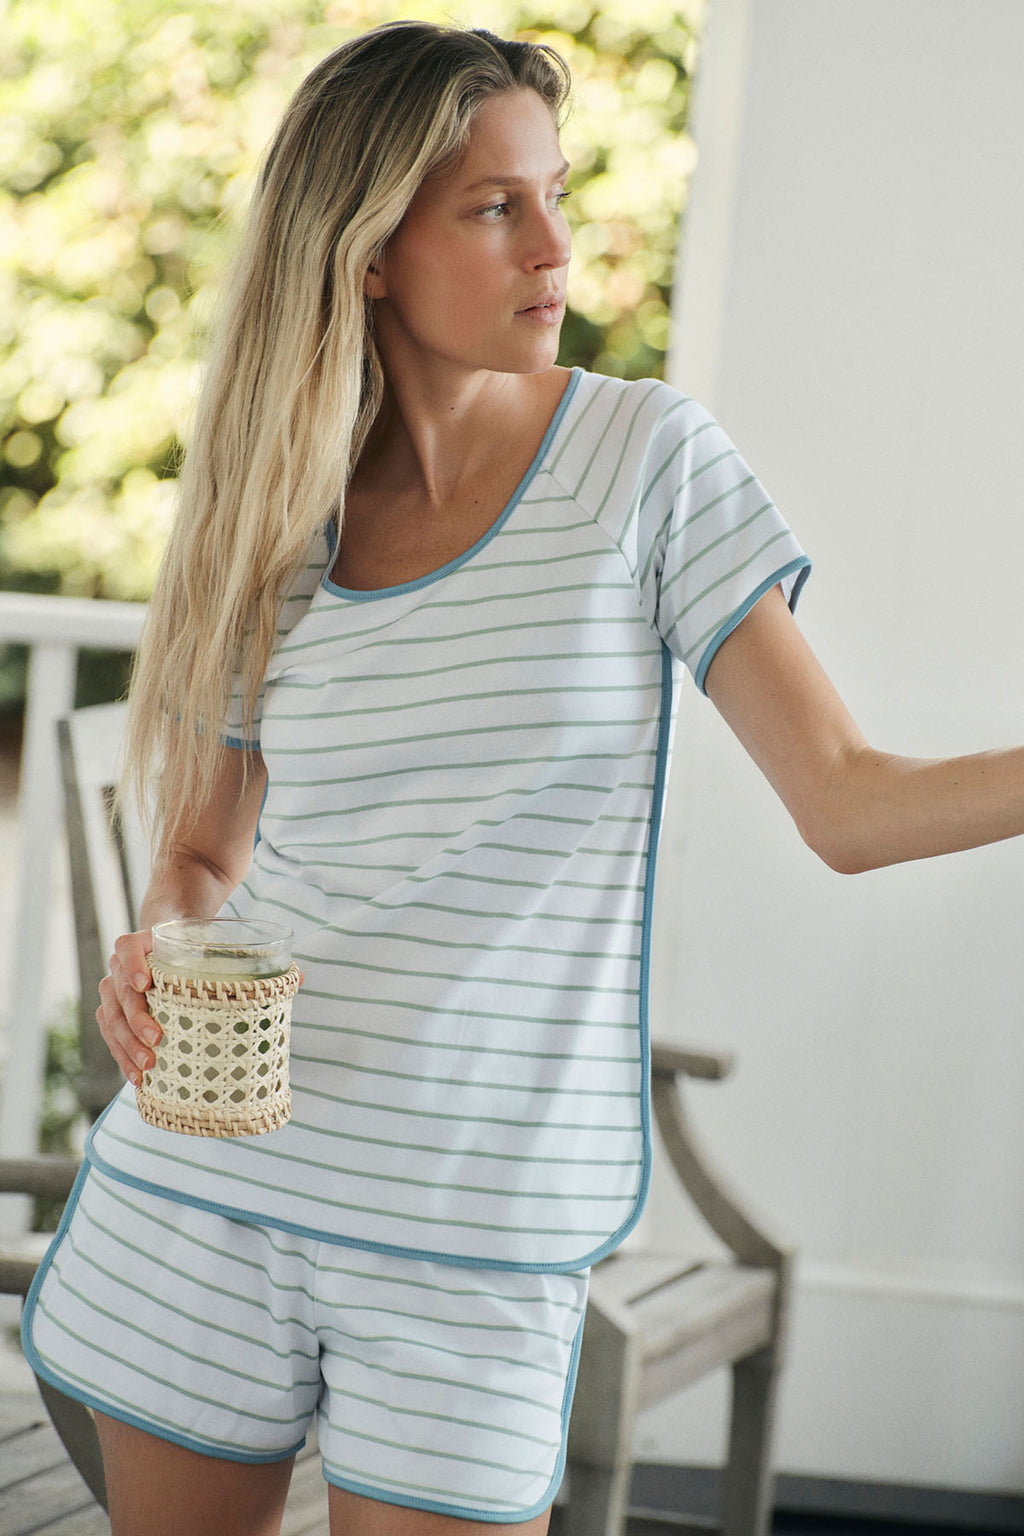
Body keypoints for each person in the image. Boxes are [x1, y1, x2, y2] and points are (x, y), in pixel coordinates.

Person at [20, 18, 1024, 1536]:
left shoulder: (645, 462)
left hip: (470, 1233)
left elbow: (849, 803)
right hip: (209, 1205)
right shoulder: (273, 506)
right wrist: (161, 944)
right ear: (369, 251)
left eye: (556, 195)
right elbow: (206, 849)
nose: (557, 246)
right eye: (498, 207)